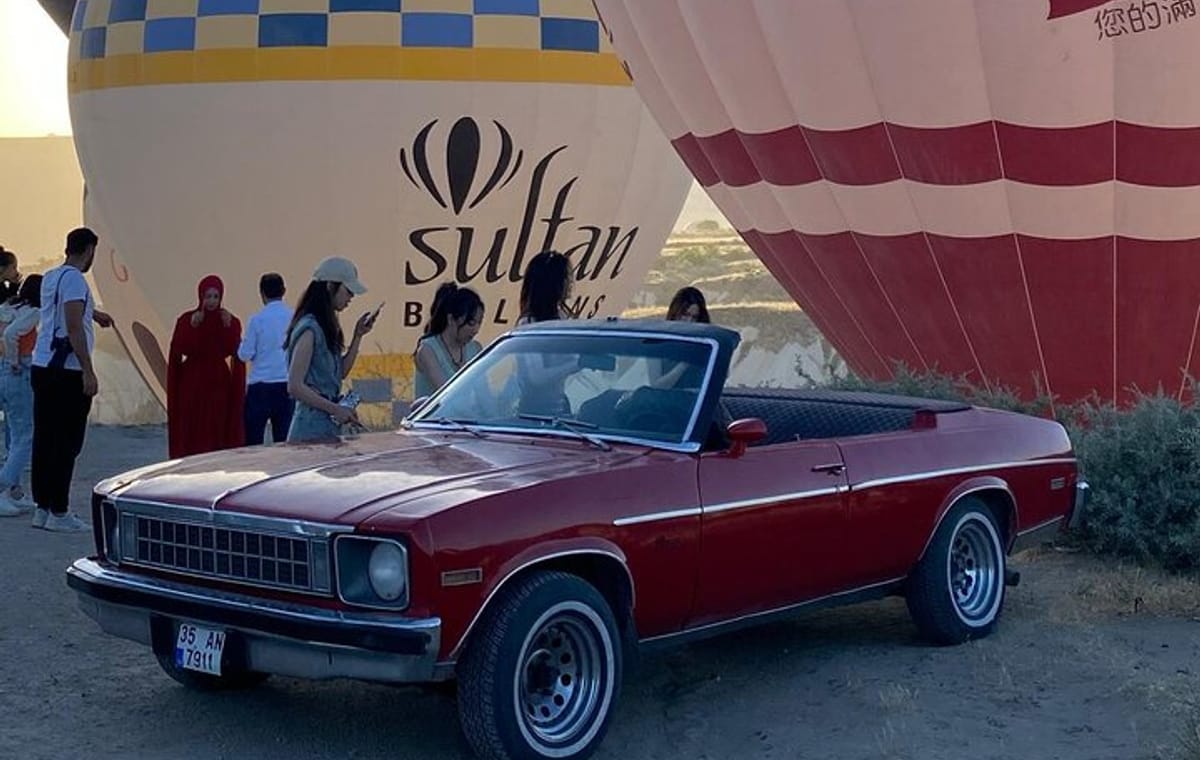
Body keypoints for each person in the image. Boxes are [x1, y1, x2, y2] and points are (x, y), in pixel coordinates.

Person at [30, 227, 114, 532]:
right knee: (67, 442)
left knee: (45, 438)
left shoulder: (52, 276)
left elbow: (64, 310)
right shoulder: (77, 280)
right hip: (66, 370)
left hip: (42, 364)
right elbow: (73, 325)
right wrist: (88, 370)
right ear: (89, 250)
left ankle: (42, 507)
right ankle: (60, 510)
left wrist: (95, 314)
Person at [285, 256, 377, 442]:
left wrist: (358, 336)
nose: (351, 297)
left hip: (327, 427)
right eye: (348, 291)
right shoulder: (309, 329)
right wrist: (335, 409)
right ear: (330, 286)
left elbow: (340, 373)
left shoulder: (326, 326)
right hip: (308, 429)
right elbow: (295, 386)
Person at [167, 276, 246, 458]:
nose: (211, 301)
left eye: (215, 296)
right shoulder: (186, 319)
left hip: (218, 382)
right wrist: (193, 326)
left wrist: (229, 327)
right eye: (208, 296)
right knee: (192, 424)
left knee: (217, 423)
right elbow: (179, 350)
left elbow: (235, 351)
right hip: (192, 381)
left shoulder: (230, 320)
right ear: (201, 296)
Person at [514, 251, 581, 416]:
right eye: (565, 278)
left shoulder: (563, 318)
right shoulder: (528, 324)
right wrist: (578, 364)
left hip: (561, 405)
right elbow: (536, 376)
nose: (570, 283)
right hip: (535, 411)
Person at [0, 274, 41, 516]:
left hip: (3, 371)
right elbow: (11, 335)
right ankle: (2, 488)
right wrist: (15, 360)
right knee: (24, 436)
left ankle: (13, 491)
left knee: (14, 436)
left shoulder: (8, 308)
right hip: (18, 370)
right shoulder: (33, 312)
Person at [238, 272, 294, 445]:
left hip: (260, 387)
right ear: (284, 291)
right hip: (287, 384)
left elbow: (244, 354)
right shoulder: (294, 317)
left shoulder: (257, 320)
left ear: (262, 293)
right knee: (284, 443)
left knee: (253, 444)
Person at [413, 282, 484, 399]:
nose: (476, 330)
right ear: (451, 319)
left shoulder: (476, 349)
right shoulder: (427, 350)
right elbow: (447, 396)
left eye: (479, 323)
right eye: (471, 323)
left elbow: (484, 393)